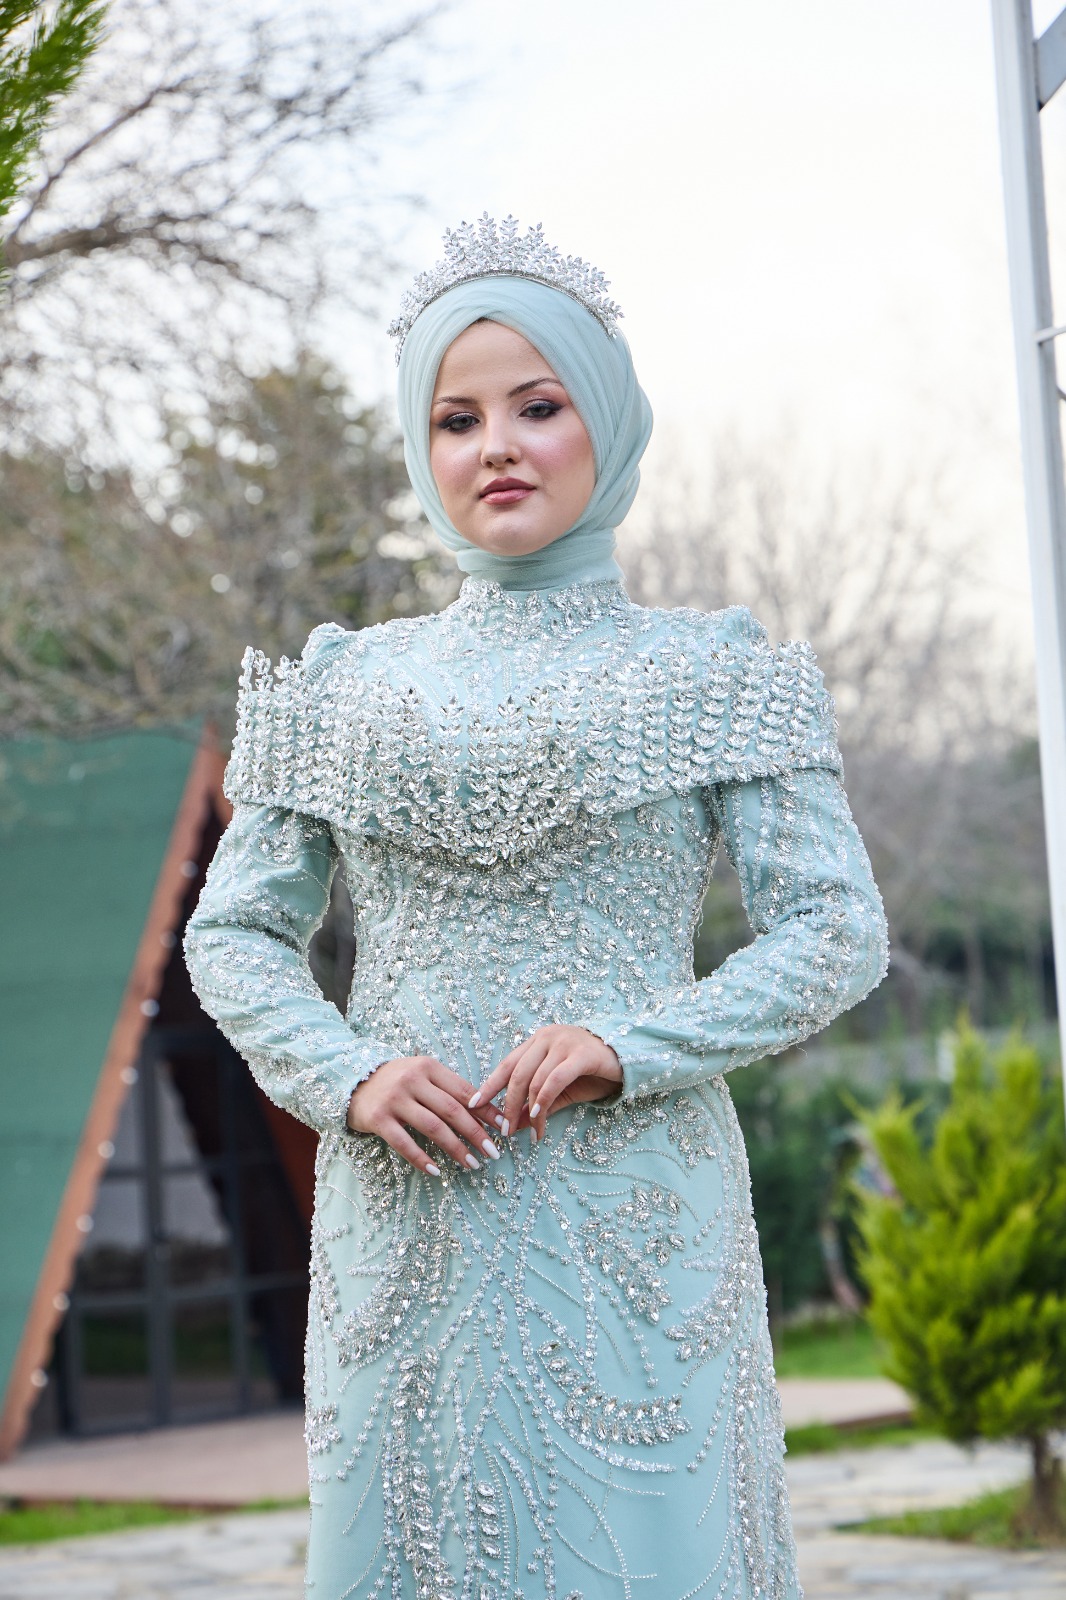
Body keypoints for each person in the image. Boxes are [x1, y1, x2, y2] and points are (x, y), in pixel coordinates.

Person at [184, 215, 889, 1600]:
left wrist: (633, 1044)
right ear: (420, 450)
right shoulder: (340, 684)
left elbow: (834, 928)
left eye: (537, 406)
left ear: (606, 423)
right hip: (405, 1212)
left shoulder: (714, 669)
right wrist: (347, 1073)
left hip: (633, 1211)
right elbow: (234, 933)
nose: (495, 447)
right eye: (455, 420)